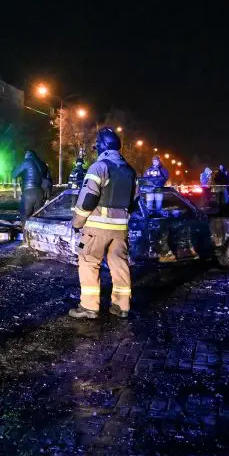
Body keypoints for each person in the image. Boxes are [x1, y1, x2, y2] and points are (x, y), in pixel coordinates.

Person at [69, 127, 137, 320]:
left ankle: (89, 307)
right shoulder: (130, 171)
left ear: (101, 147)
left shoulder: (99, 167)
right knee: (119, 264)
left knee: (89, 261)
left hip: (97, 228)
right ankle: (121, 306)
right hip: (121, 229)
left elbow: (88, 199)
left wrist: (77, 223)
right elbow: (135, 200)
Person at [12, 150, 47, 220]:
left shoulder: (27, 162)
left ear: (27, 155)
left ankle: (25, 226)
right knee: (37, 219)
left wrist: (13, 169)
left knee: (24, 217)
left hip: (29, 193)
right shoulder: (40, 164)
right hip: (40, 193)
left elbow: (14, 174)